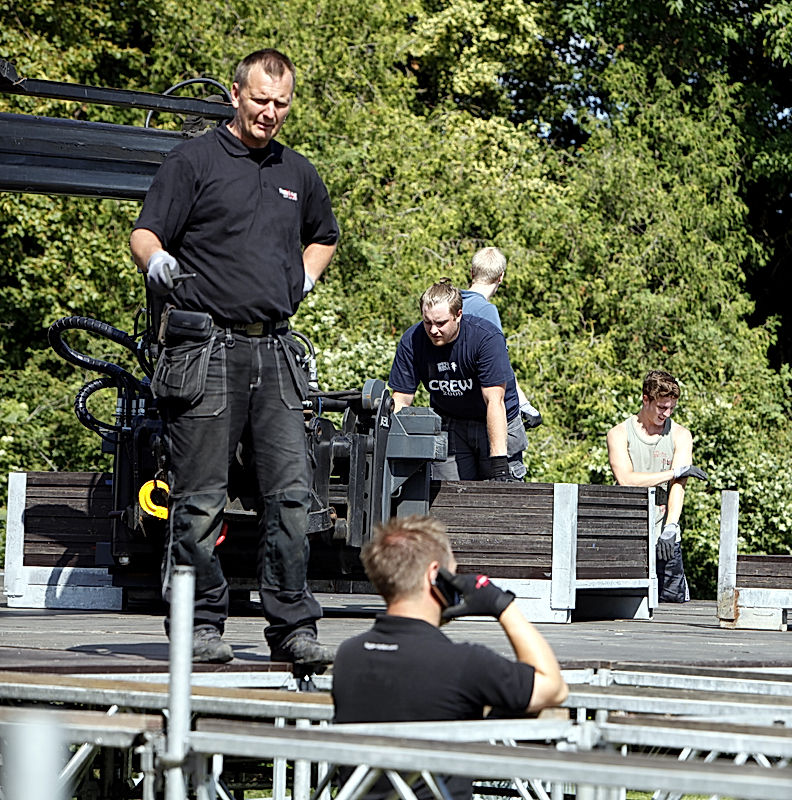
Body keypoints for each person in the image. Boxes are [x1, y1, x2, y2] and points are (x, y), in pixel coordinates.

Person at [129, 49, 339, 665]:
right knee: (199, 500)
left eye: (281, 103)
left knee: (292, 499)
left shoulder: (297, 172)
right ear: (235, 94)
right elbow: (144, 232)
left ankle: (293, 628)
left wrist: (303, 279)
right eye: (260, 100)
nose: (270, 112)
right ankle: (198, 625)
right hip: (207, 350)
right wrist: (155, 261)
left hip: (275, 351)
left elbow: (325, 235)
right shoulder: (193, 161)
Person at [332, 514, 568, 800]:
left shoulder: (349, 655)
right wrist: (502, 605)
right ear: (435, 575)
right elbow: (553, 687)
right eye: (452, 575)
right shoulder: (465, 663)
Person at [389, 279, 527, 480]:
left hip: (494, 419)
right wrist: (394, 446)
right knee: (448, 493)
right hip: (451, 423)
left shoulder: (485, 338)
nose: (433, 330)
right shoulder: (412, 340)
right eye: (427, 322)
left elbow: (494, 401)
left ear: (458, 315)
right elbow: (401, 399)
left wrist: (499, 463)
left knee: (500, 490)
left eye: (441, 323)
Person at [606, 370, 708, 603]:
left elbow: (678, 486)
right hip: (629, 536)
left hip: (665, 538)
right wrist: (673, 472)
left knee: (672, 605)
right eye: (662, 407)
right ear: (646, 399)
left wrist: (671, 527)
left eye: (672, 408)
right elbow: (627, 480)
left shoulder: (681, 435)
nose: (667, 413)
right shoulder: (619, 434)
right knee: (626, 606)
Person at [461, 247, 543, 429]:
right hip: (481, 410)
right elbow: (498, 365)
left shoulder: (450, 304)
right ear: (501, 277)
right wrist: (524, 404)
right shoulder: (486, 311)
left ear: (472, 272)